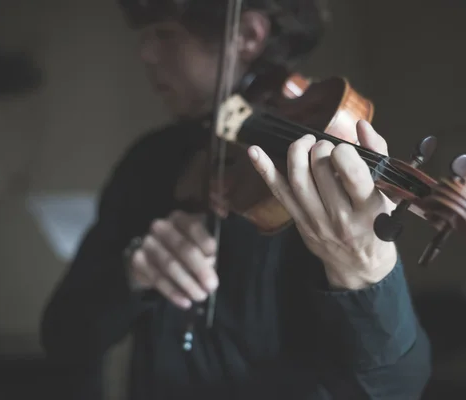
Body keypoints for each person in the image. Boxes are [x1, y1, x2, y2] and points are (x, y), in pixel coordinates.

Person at [40, 1, 432, 399]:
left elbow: (395, 388)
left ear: (246, 36)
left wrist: (368, 273)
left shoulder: (320, 171)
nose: (146, 54)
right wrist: (132, 274)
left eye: (165, 34)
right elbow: (61, 334)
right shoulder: (149, 162)